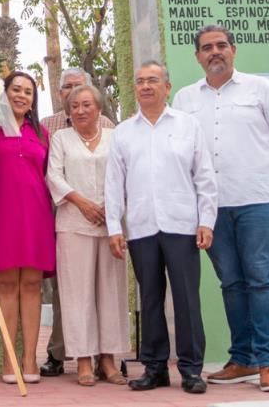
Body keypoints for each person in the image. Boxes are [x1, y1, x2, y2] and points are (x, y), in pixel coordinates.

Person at [173, 25, 269, 392]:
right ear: (197, 56)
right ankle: (242, 358)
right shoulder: (184, 99)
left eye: (221, 46)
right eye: (207, 47)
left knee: (262, 280)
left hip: (257, 199)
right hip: (211, 208)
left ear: (233, 51)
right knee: (232, 283)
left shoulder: (261, 89)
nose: (215, 52)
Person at [105, 61, 217, 395]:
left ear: (167, 87)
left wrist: (206, 220)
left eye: (153, 81)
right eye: (140, 81)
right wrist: (114, 226)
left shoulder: (188, 125)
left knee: (186, 300)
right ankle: (154, 368)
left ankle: (192, 370)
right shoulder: (124, 132)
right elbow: (114, 185)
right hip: (141, 228)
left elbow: (205, 176)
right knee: (149, 300)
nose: (145, 87)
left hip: (182, 225)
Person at [0, 70, 55, 384]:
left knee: (32, 285)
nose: (21, 96)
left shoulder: (42, 133)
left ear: (33, 101)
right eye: (15, 90)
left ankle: (31, 358)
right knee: (6, 285)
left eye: (28, 92)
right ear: (3, 94)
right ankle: (9, 357)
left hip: (35, 216)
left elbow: (49, 175)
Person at [46, 84, 129, 387]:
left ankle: (107, 360)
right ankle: (83, 359)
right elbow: (53, 175)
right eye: (74, 106)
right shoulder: (60, 138)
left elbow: (125, 173)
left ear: (99, 108)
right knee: (76, 293)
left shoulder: (115, 136)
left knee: (111, 290)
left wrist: (110, 207)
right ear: (68, 111)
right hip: (73, 224)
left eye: (86, 105)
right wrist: (81, 202)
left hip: (111, 225)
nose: (80, 110)